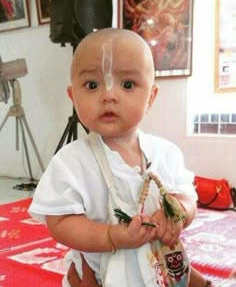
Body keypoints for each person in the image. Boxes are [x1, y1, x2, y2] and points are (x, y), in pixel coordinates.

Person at [29, 28, 212, 287]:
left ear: (151, 97)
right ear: (73, 97)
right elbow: (59, 222)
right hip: (101, 274)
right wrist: (112, 236)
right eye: (92, 85)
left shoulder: (166, 153)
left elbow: (188, 197)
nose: (109, 96)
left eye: (127, 84)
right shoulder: (71, 162)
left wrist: (178, 213)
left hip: (160, 263)